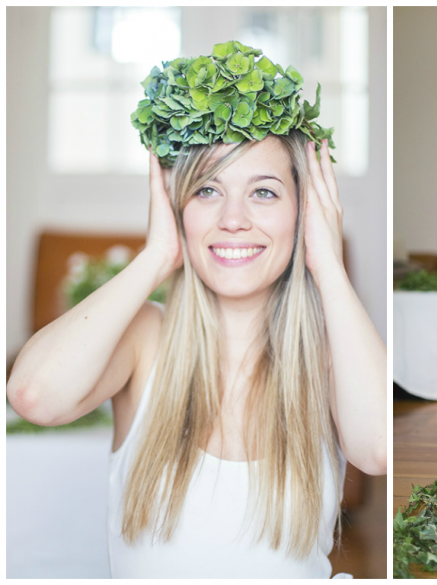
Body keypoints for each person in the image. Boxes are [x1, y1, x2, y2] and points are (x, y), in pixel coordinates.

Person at [6, 41, 386, 578]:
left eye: (265, 192)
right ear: (176, 206)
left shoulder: (325, 352)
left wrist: (326, 262)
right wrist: (157, 255)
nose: (233, 218)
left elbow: (378, 451)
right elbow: (33, 395)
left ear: (304, 213)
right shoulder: (145, 339)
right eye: (207, 190)